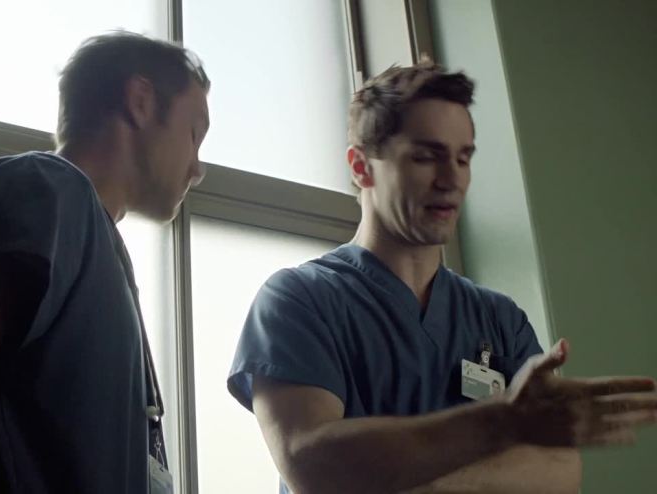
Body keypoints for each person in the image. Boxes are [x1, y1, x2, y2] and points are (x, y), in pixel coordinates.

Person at [227, 63, 657, 494]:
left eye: (463, 158)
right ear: (361, 167)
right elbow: (311, 465)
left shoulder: (500, 320)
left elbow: (560, 473)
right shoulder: (298, 301)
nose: (452, 180)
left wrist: (397, 482)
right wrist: (503, 423)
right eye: (426, 157)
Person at [0, 30, 210, 493]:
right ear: (141, 101)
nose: (198, 169)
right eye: (195, 135)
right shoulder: (49, 188)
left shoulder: (103, 248)